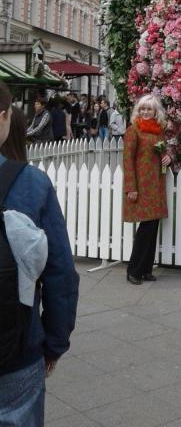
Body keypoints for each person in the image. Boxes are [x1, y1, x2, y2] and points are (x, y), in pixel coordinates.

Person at [0, 80, 79, 425]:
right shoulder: (31, 184)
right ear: (4, 118)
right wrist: (54, 343)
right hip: (16, 348)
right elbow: (60, 274)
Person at [123, 94, 170, 284]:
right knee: (145, 229)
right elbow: (127, 161)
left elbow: (161, 156)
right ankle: (133, 271)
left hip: (156, 186)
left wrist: (167, 159)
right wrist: (130, 188)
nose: (145, 111)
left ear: (155, 111)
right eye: (142, 108)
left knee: (152, 228)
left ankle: (146, 270)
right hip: (141, 186)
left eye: (149, 109)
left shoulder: (158, 132)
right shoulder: (133, 130)